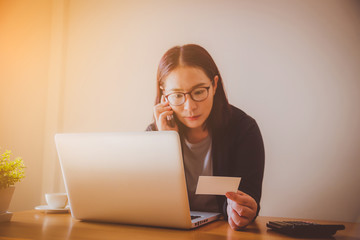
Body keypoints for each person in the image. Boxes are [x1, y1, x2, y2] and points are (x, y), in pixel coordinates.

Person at [146, 44, 265, 230]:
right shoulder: (155, 135)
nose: (190, 107)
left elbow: (247, 197)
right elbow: (152, 203)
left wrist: (242, 209)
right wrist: (166, 143)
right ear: (164, 94)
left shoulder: (244, 130)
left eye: (199, 92)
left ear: (214, 84)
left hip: (223, 231)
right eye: (177, 95)